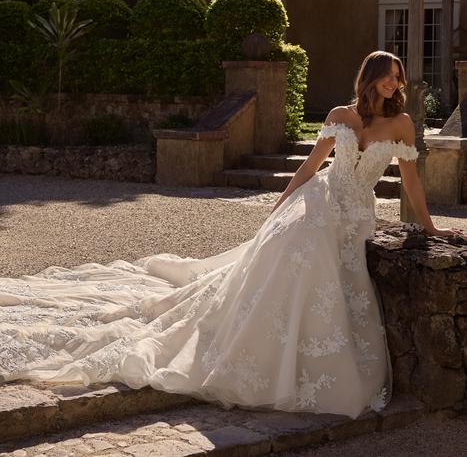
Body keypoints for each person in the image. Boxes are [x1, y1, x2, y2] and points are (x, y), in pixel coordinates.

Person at [0, 51, 462, 419]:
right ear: (372, 76)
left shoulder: (401, 124)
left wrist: (429, 227)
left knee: (339, 285)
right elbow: (311, 165)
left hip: (359, 215)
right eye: (388, 76)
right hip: (321, 204)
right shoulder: (341, 115)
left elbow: (412, 182)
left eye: (398, 78)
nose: (394, 84)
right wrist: (283, 202)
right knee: (297, 258)